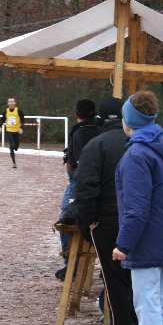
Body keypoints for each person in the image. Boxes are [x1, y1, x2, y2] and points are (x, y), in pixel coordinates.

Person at [113, 91, 163, 325]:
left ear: (128, 121)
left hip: (147, 241)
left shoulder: (136, 154)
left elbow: (136, 207)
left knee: (147, 305)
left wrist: (123, 244)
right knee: (161, 302)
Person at [75, 97, 137, 325]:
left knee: (115, 283)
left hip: (107, 221)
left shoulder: (96, 145)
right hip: (138, 219)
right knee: (139, 280)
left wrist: (89, 221)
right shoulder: (139, 142)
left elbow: (85, 189)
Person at [55, 99, 98, 280]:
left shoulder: (80, 133)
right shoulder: (98, 130)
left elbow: (80, 165)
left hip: (78, 184)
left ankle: (70, 264)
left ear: (77, 114)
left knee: (65, 221)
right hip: (81, 182)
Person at [0, 97, 25, 168]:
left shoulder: (18, 110)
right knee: (11, 145)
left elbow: (23, 119)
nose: (11, 103)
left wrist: (21, 128)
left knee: (16, 147)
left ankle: (15, 148)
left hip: (16, 131)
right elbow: (2, 119)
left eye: (12, 102)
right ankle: (14, 163)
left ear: (15, 103)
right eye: (9, 102)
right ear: (8, 103)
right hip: (9, 130)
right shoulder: (6, 111)